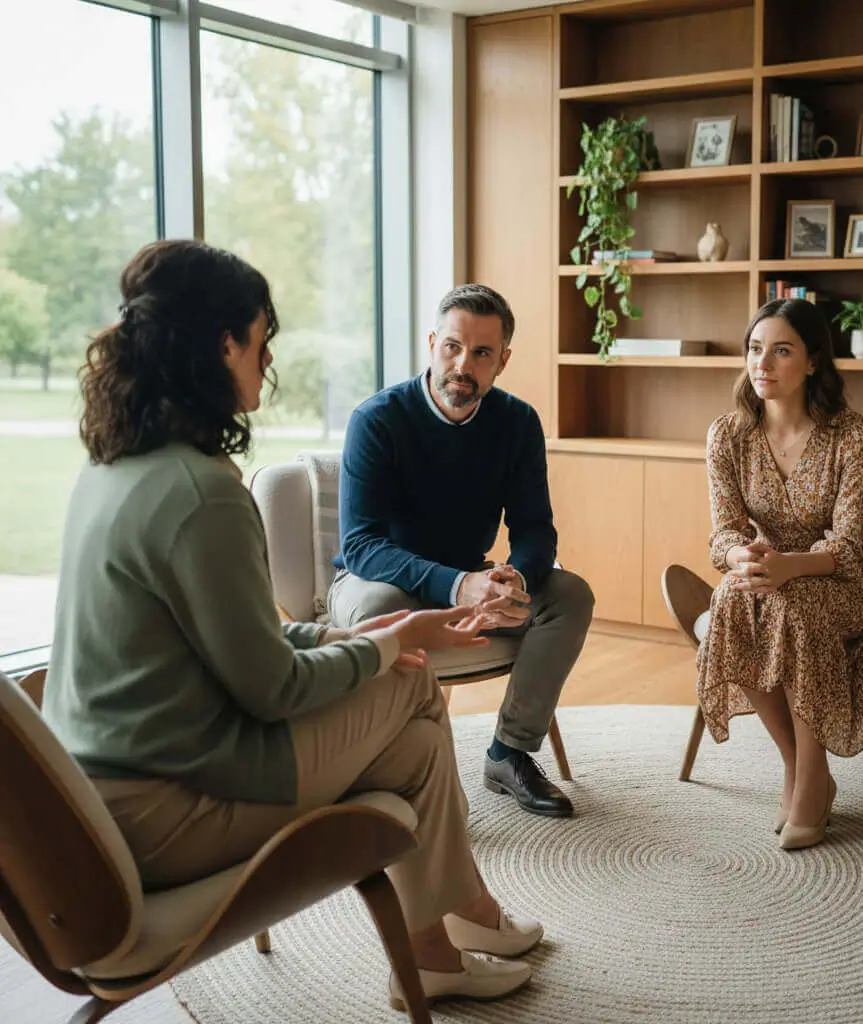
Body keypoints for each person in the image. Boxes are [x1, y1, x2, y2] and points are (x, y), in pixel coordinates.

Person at [41, 240, 544, 1010]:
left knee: (408, 725)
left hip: (110, 789)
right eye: (262, 337)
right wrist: (391, 644)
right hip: (172, 808)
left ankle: (439, 943)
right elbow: (271, 688)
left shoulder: (116, 466)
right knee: (411, 697)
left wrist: (363, 640)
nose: (267, 359)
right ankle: (460, 917)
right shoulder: (200, 493)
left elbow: (236, 642)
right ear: (223, 345)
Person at [328, 284, 594, 819]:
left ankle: (509, 752)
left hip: (471, 577)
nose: (462, 365)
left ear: (503, 361)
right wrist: (459, 584)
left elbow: (536, 529)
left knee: (568, 595)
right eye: (452, 347)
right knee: (381, 611)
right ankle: (399, 768)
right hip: (381, 579)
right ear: (431, 343)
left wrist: (517, 576)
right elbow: (360, 545)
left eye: (481, 353)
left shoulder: (517, 423)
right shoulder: (377, 419)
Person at [695, 298, 863, 851]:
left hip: (850, 586)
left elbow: (851, 547)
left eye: (781, 351)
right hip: (767, 579)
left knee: (795, 604)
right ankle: (802, 770)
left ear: (812, 362)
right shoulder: (729, 435)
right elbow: (724, 534)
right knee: (733, 599)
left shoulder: (852, 435)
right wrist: (746, 560)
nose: (763, 363)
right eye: (755, 349)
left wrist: (788, 568)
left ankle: (809, 780)